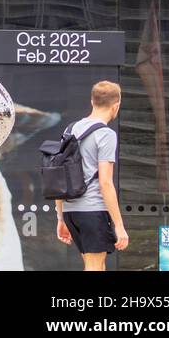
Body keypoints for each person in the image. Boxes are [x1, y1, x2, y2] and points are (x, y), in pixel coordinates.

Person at [56, 80, 129, 270]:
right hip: (93, 211)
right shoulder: (106, 134)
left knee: (96, 265)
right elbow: (105, 183)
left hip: (72, 212)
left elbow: (59, 176)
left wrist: (61, 218)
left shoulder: (70, 130)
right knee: (95, 267)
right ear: (116, 105)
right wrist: (119, 225)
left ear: (92, 101)